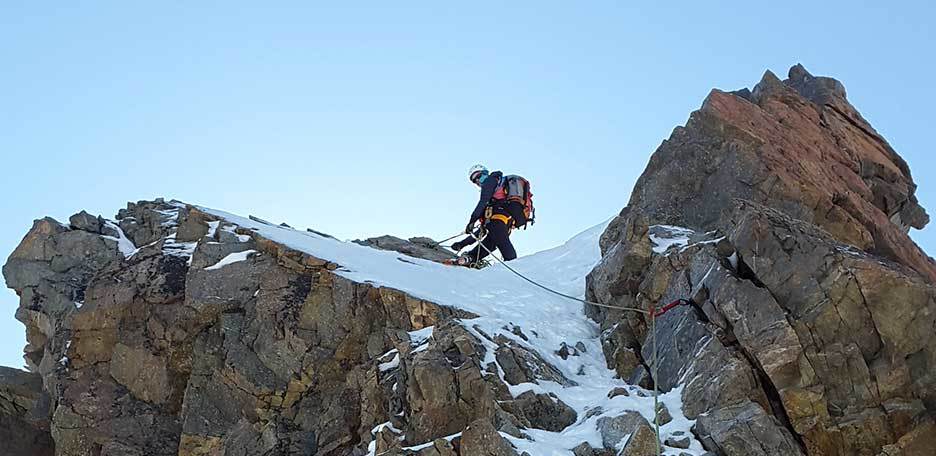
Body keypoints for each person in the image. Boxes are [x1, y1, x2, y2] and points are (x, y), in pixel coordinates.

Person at [448, 164, 529, 267]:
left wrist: (472, 221)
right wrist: (462, 244)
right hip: (506, 221)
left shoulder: (490, 180)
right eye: (474, 180)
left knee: (501, 242)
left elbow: (483, 201)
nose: (478, 181)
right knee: (491, 242)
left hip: (499, 219)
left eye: (479, 176)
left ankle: (513, 267)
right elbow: (482, 230)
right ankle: (468, 258)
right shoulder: (495, 200)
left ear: (486, 174)